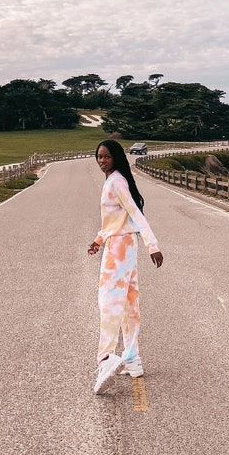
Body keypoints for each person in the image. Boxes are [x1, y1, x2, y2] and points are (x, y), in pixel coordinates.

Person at [87, 139, 163, 394]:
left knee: (108, 300)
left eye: (106, 157)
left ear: (116, 158)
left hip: (120, 248)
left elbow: (135, 213)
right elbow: (117, 219)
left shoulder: (116, 181)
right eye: (99, 157)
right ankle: (131, 357)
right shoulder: (116, 180)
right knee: (130, 301)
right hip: (124, 244)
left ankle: (106, 358)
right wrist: (99, 239)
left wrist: (152, 244)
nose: (102, 161)